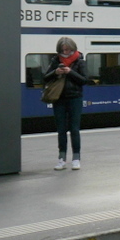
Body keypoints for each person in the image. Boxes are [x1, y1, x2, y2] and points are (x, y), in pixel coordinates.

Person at [44, 36, 88, 171]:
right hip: (59, 99)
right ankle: (61, 158)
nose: (65, 52)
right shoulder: (55, 61)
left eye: (67, 50)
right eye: (62, 50)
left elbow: (84, 80)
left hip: (75, 98)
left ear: (73, 49)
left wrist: (70, 72)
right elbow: (45, 77)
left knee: (74, 129)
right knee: (61, 129)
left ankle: (76, 158)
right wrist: (55, 72)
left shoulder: (80, 61)